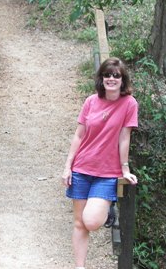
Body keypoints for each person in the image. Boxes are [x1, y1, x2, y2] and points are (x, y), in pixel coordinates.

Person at [62, 57, 139, 269]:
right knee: (79, 223)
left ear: (123, 80)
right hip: (82, 167)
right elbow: (79, 135)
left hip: (107, 173)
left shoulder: (129, 104)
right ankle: (80, 266)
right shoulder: (90, 101)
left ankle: (107, 209)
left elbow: (125, 138)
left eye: (116, 75)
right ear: (101, 78)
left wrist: (125, 169)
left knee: (92, 221)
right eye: (107, 74)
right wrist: (68, 166)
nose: (111, 79)